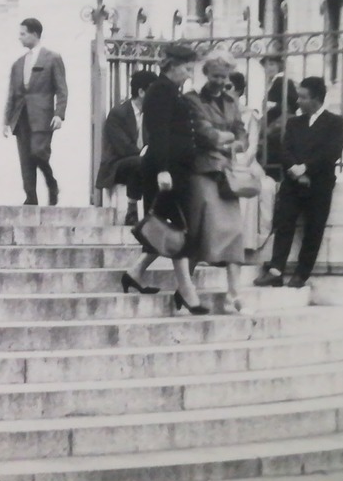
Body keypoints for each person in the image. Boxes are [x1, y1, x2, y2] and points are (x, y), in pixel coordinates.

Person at [122, 42, 209, 314]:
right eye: (186, 67)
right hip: (165, 171)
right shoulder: (161, 91)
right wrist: (162, 170)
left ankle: (134, 273)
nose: (189, 73)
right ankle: (187, 292)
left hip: (176, 171)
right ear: (171, 66)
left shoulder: (171, 91)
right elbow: (159, 133)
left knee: (166, 228)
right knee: (179, 229)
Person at [254, 76, 343, 289]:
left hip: (319, 185)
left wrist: (305, 168)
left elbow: (331, 153)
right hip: (292, 183)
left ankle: (301, 274)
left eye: (303, 97)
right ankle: (275, 271)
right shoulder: (294, 122)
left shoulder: (335, 122)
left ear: (316, 99)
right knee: (284, 224)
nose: (298, 101)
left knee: (313, 230)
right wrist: (294, 169)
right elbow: (285, 149)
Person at [184, 55, 248, 311]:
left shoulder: (233, 102)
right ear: (206, 74)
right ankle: (185, 287)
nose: (220, 81)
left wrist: (236, 140)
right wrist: (228, 138)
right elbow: (204, 133)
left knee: (234, 230)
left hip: (226, 173)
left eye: (224, 77)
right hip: (203, 171)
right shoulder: (193, 100)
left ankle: (234, 292)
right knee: (200, 231)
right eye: (215, 76)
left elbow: (242, 132)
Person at [2, 17, 67, 206]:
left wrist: (59, 113)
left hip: (42, 115)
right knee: (25, 157)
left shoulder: (52, 58)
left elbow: (62, 88)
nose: (19, 38)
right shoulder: (18, 64)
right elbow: (12, 93)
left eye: (23, 34)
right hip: (20, 115)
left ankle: (51, 183)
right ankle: (31, 196)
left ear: (35, 34)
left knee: (38, 152)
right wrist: (6, 121)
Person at [94, 69, 153, 225]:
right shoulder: (118, 114)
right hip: (117, 165)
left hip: (142, 162)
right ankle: (132, 209)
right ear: (141, 92)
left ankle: (156, 212)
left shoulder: (152, 114)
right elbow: (123, 148)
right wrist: (147, 153)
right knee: (140, 163)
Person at [229, 70, 273, 261]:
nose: (224, 91)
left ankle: (243, 244)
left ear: (239, 90)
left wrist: (238, 163)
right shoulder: (215, 113)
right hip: (222, 162)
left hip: (244, 163)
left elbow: (252, 148)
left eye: (228, 87)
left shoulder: (249, 116)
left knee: (246, 187)